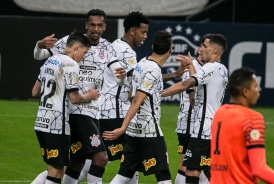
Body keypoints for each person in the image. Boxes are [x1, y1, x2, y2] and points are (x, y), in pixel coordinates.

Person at [32, 9, 127, 184]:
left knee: (76, 161)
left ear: (105, 27)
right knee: (101, 157)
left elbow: (118, 76)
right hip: (74, 110)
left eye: (100, 25)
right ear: (86, 25)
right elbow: (41, 56)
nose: (95, 29)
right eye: (92, 25)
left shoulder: (107, 47)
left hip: (92, 112)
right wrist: (39, 45)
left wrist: (122, 77)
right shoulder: (70, 41)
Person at [103, 30, 174, 184]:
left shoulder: (142, 62)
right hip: (150, 132)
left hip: (133, 131)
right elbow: (136, 101)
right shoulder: (154, 70)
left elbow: (130, 96)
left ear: (153, 46)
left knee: (124, 174)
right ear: (170, 50)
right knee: (163, 175)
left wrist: (126, 128)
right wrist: (122, 128)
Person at [32, 30, 100, 184]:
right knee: (56, 173)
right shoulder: (71, 64)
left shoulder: (49, 61)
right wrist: (89, 96)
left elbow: (35, 91)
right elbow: (75, 98)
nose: (83, 57)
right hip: (57, 125)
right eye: (84, 52)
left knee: (53, 170)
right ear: (76, 47)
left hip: (41, 121)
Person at [161, 34, 228, 184]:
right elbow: (199, 83)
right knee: (208, 171)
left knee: (191, 170)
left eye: (205, 46)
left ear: (215, 50)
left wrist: (158, 94)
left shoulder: (210, 67)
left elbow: (186, 84)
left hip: (202, 130)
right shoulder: (222, 69)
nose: (201, 49)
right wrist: (192, 66)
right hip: (213, 128)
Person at [210, 67, 274, 184]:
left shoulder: (219, 113)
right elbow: (259, 168)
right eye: (255, 86)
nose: (259, 90)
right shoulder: (252, 118)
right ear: (245, 92)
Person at [174, 46, 209, 184]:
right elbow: (192, 97)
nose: (201, 49)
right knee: (189, 167)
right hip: (191, 124)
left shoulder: (207, 67)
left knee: (197, 167)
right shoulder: (192, 66)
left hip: (191, 124)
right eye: (202, 46)